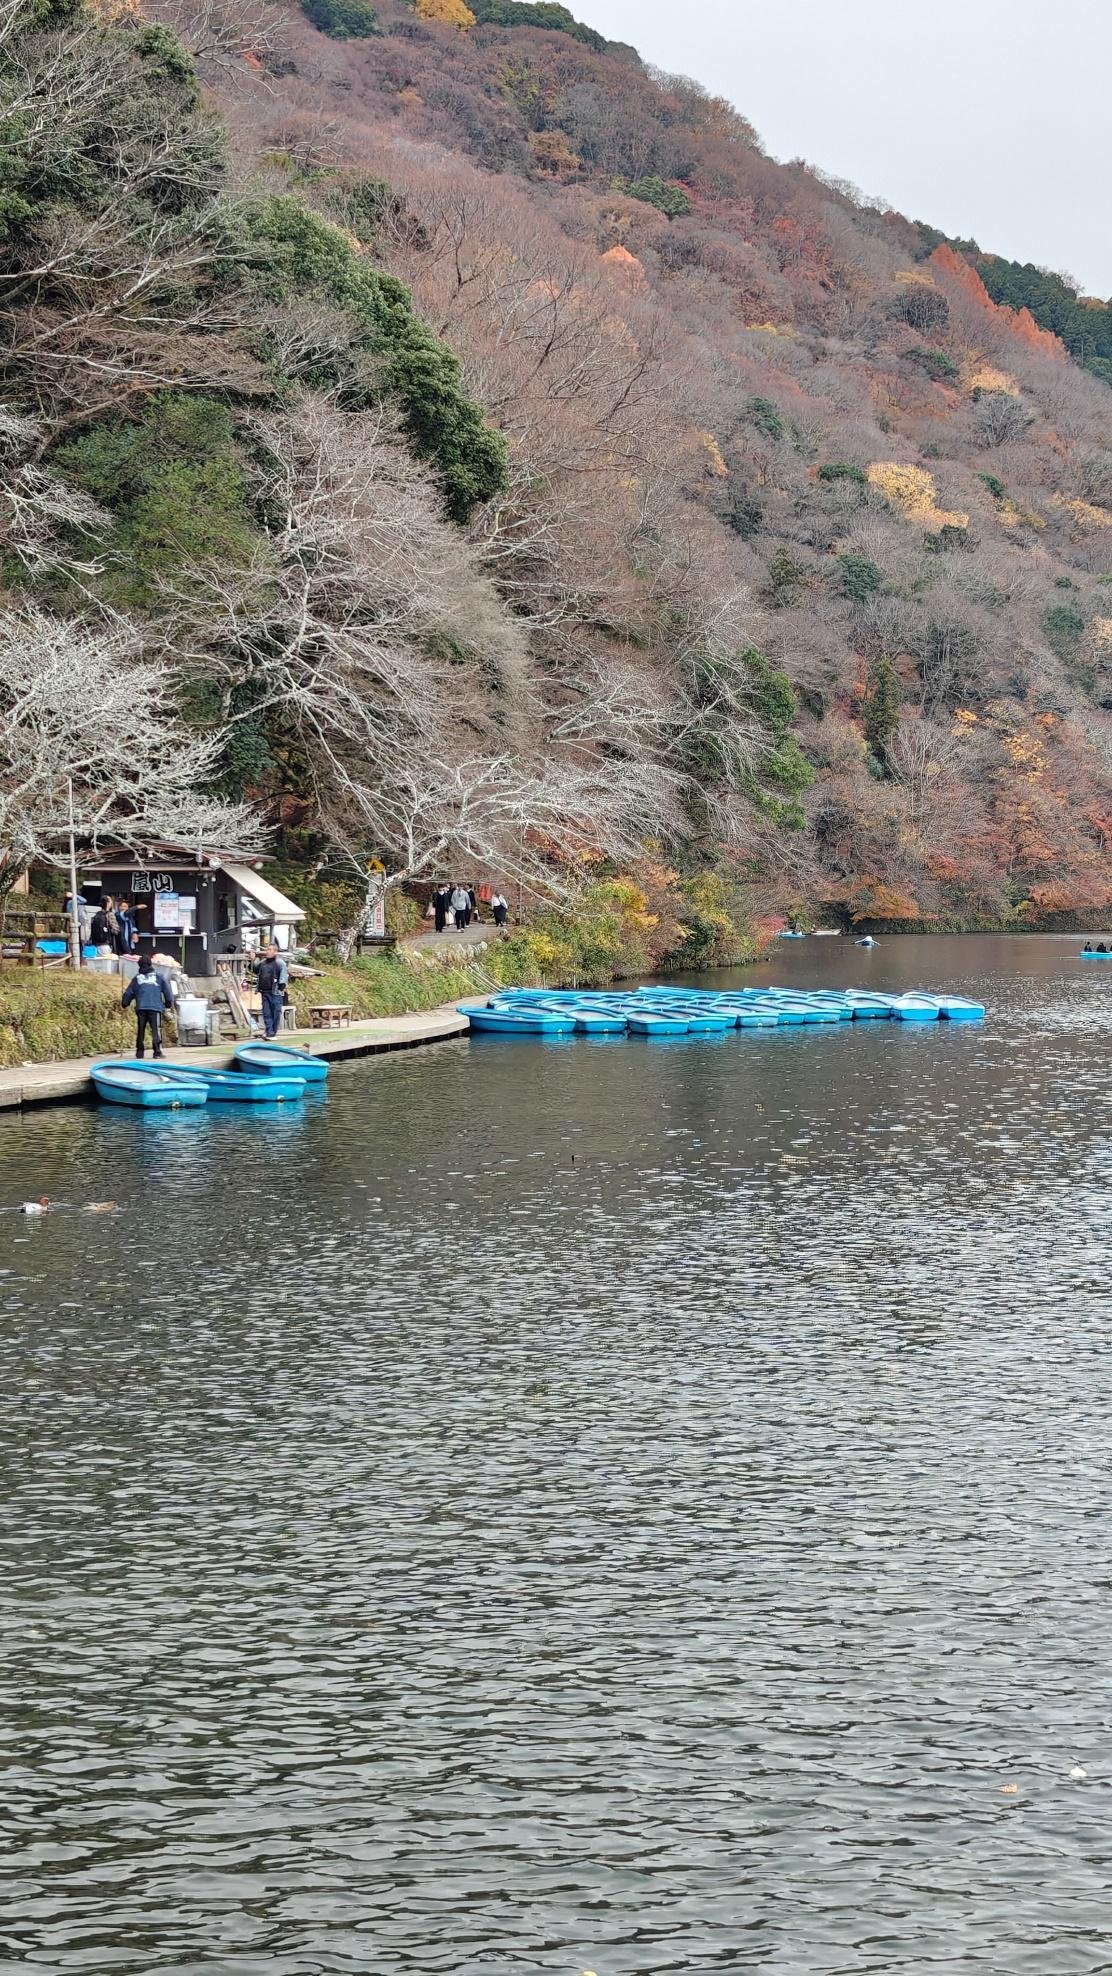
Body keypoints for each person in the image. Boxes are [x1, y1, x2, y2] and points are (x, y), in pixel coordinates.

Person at [121, 954, 173, 1058]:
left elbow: (129, 993)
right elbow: (168, 992)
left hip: (141, 1008)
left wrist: (125, 1003)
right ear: (150, 964)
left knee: (141, 1030)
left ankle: (140, 1052)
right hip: (155, 1007)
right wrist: (168, 1003)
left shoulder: (137, 978)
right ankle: (157, 1052)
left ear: (139, 965)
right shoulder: (159, 977)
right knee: (155, 1029)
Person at [254, 943, 287, 1039]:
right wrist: (253, 960)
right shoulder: (263, 962)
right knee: (266, 1012)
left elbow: (284, 975)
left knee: (276, 1012)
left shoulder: (280, 963)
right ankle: (269, 1032)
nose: (267, 951)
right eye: (267, 949)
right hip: (264, 991)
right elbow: (255, 969)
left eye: (269, 949)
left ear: (275, 951)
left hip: (275, 991)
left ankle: (273, 1031)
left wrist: (281, 985)